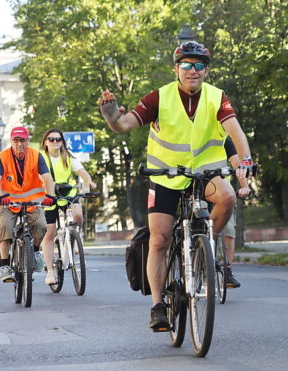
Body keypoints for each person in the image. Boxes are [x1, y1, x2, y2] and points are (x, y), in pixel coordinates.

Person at [98, 41, 255, 330]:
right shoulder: (160, 97)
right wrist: (111, 118)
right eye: (186, 65)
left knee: (228, 196)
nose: (192, 70)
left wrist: (245, 160)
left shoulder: (217, 97)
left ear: (206, 71)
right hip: (164, 175)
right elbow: (126, 124)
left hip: (205, 170)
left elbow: (235, 130)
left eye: (198, 65)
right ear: (176, 69)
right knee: (159, 239)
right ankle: (158, 305)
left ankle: (204, 246)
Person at [0, 126, 56, 282]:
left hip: (32, 202)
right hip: (8, 203)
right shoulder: (3, 156)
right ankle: (5, 265)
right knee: (5, 226)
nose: (20, 144)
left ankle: (34, 251)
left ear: (28, 140)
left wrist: (50, 196)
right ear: (11, 141)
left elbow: (47, 178)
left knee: (41, 225)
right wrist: (0, 197)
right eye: (16, 140)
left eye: (23, 140)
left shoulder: (36, 156)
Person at [39, 128, 96, 285]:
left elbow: (81, 171)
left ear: (62, 142)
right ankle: (50, 272)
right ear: (45, 142)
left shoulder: (68, 156)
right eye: (52, 139)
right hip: (49, 196)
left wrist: (88, 181)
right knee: (50, 233)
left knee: (78, 215)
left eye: (58, 139)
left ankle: (74, 236)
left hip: (68, 192)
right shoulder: (41, 158)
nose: (55, 142)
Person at [220, 137, 251, 288]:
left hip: (221, 189)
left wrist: (244, 186)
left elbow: (236, 163)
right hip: (195, 186)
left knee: (228, 230)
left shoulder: (223, 138)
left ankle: (227, 272)